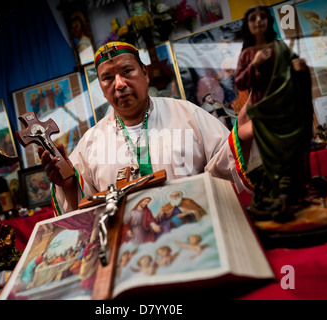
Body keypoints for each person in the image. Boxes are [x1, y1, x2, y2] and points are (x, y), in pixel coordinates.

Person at [39, 41, 256, 216]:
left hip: (195, 230)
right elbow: (86, 213)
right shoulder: (90, 143)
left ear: (145, 73)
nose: (120, 84)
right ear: (102, 91)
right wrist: (68, 186)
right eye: (107, 78)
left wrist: (241, 138)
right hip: (128, 253)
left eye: (127, 71)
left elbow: (224, 171)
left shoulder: (188, 115)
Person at [234, 5, 315, 222]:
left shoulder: (281, 47)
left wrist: (300, 69)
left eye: (262, 17)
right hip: (263, 111)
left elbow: (295, 71)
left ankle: (297, 193)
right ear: (248, 25)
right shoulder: (247, 54)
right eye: (253, 18)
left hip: (287, 109)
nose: (258, 21)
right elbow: (240, 81)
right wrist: (255, 64)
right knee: (273, 156)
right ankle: (280, 195)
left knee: (292, 152)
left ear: (268, 21)